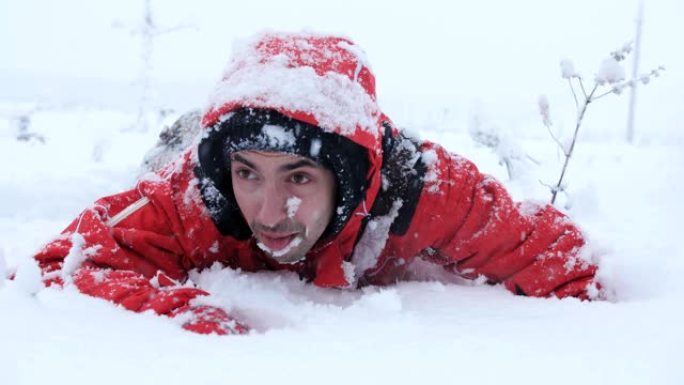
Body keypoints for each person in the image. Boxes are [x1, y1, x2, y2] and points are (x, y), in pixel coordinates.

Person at [34, 32, 602, 336]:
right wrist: (183, 313)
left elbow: (563, 262)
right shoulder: (192, 194)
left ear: (349, 178)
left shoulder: (419, 191)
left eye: (299, 176)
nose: (269, 210)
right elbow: (64, 264)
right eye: (247, 173)